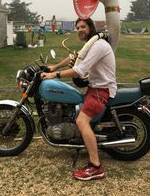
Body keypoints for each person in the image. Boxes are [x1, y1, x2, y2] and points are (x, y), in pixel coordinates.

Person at [41, 18, 117, 181]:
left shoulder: (98, 45)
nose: (79, 30)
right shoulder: (92, 43)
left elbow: (80, 70)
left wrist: (54, 75)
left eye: (83, 26)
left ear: (90, 27)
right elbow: (74, 57)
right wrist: (54, 67)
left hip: (101, 90)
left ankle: (96, 167)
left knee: (82, 121)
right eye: (77, 27)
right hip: (95, 88)